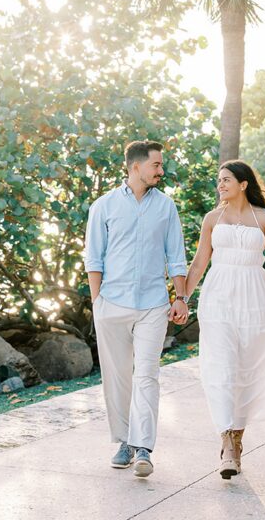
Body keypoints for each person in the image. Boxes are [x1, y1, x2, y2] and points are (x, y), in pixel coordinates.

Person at [185, 159, 265, 479]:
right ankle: (226, 441)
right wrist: (181, 297)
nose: (220, 185)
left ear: (243, 184)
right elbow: (198, 264)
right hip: (219, 298)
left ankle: (237, 438)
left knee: (246, 369)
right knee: (221, 365)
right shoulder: (213, 218)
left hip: (255, 298)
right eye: (218, 181)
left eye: (226, 180)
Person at [84, 139, 189, 478]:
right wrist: (97, 301)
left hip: (153, 305)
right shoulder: (104, 206)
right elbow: (94, 257)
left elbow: (176, 257)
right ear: (135, 167)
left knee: (147, 375)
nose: (161, 170)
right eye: (156, 165)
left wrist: (181, 297)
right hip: (111, 304)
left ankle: (143, 447)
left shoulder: (166, 207)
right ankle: (125, 441)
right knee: (117, 377)